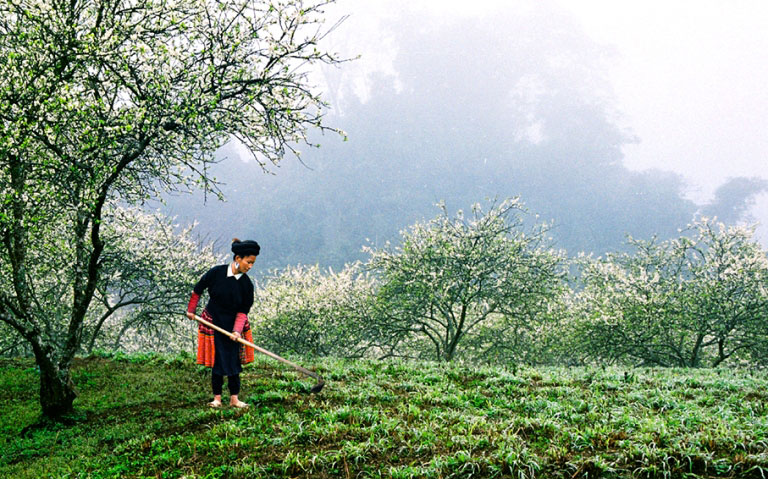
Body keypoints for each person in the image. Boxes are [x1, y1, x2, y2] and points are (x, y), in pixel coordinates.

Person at [186, 238, 260, 408]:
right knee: (217, 360)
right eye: (248, 262)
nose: (250, 266)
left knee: (234, 361)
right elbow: (198, 289)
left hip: (234, 325)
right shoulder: (216, 273)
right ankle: (217, 398)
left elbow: (243, 311)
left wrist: (236, 331)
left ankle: (234, 399)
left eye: (253, 263)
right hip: (213, 321)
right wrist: (191, 310)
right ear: (238, 258)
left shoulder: (246, 285)